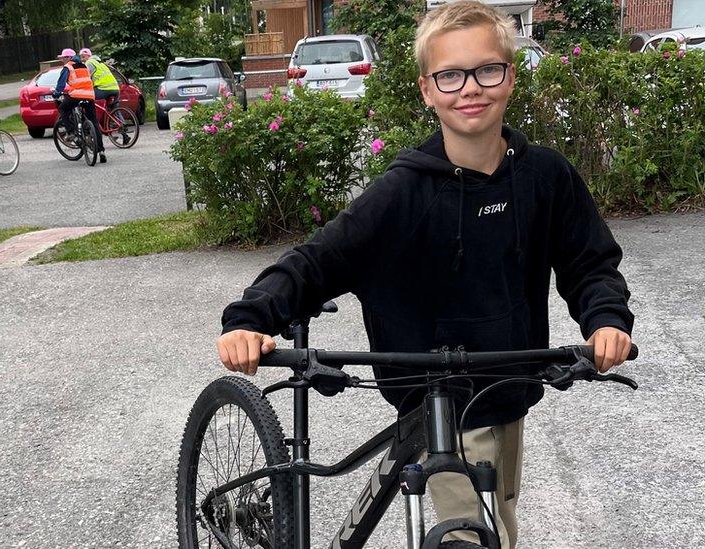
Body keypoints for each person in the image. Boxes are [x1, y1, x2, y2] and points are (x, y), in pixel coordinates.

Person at [215, 2, 634, 548]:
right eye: (450, 75)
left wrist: (604, 320)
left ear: (510, 77)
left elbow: (589, 262)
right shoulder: (403, 192)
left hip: (508, 383)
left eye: (488, 69)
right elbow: (320, 260)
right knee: (469, 537)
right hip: (432, 393)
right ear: (427, 90)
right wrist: (250, 318)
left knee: (500, 521)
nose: (471, 88)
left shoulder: (546, 178)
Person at [53, 48, 106, 164]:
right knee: (94, 122)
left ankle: (71, 133)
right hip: (90, 96)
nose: (62, 60)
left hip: (76, 95)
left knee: (63, 108)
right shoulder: (84, 66)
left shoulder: (68, 67)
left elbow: (61, 84)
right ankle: (101, 151)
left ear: (68, 58)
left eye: (63, 58)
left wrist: (56, 94)